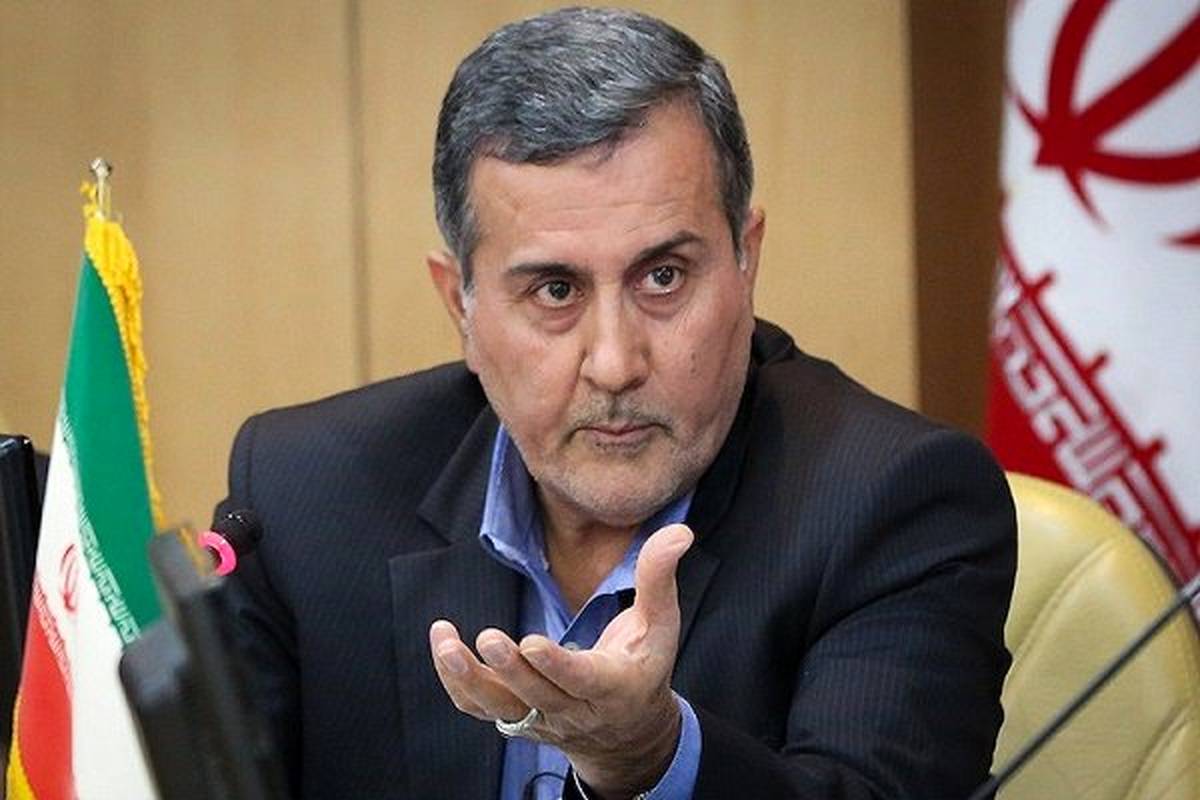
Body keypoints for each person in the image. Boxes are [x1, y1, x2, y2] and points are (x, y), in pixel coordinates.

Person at [217, 7, 1016, 799]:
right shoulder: (306, 497)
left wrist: (654, 759)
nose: (615, 363)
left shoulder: (899, 503)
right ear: (460, 304)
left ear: (746, 260)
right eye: (555, 291)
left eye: (663, 277)